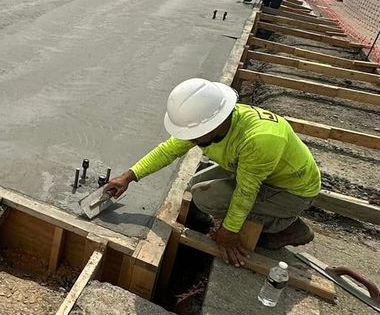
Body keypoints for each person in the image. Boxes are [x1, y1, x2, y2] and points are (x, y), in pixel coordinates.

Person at [104, 78, 320, 266]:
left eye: (194, 134)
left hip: (292, 192)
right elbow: (167, 151)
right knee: (195, 185)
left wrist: (228, 232)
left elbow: (246, 192)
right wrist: (129, 177)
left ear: (211, 125)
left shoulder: (259, 139)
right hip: (256, 173)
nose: (190, 139)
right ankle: (212, 223)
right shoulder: (212, 121)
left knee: (206, 197)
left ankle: (286, 227)